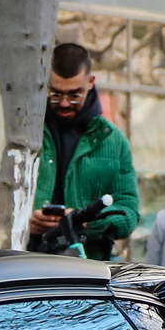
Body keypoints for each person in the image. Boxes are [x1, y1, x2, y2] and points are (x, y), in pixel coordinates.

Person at [28, 42, 138, 258]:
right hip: (25, 263)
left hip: (86, 273)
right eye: (56, 94)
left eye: (75, 94)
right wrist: (25, 221)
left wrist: (87, 222)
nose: (66, 103)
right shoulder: (26, 132)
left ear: (91, 82)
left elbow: (129, 212)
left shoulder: (113, 141)